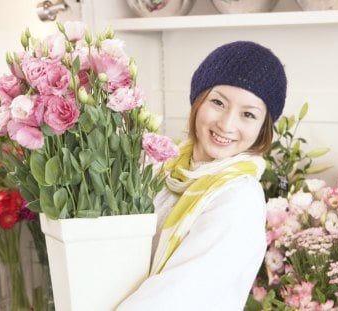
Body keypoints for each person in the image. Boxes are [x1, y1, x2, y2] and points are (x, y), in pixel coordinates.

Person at [117, 40, 287, 311]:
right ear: (198, 100)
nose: (227, 124)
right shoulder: (163, 169)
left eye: (248, 114)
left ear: (262, 128)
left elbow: (175, 298)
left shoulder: (237, 198)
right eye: (218, 102)